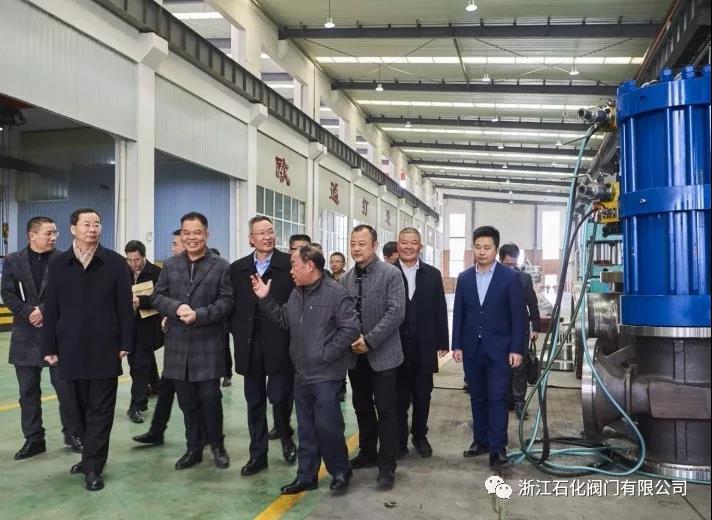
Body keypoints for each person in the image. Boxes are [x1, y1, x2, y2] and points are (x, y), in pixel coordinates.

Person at [252, 245, 360, 495]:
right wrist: (265, 299)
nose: (291, 271)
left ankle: (340, 471)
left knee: (328, 426)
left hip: (326, 374)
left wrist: (325, 354)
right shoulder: (296, 293)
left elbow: (351, 329)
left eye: (294, 265)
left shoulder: (336, 293)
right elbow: (283, 320)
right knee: (306, 429)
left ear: (310, 266)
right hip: (301, 373)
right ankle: (306, 476)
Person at [41, 208, 134, 491]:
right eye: (86, 224)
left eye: (96, 224)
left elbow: (124, 307)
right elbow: (51, 307)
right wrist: (48, 345)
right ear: (73, 229)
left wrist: (125, 343)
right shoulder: (59, 264)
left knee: (101, 411)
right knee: (76, 409)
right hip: (69, 347)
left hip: (105, 347)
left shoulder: (115, 263)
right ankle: (89, 455)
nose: (92, 229)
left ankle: (93, 467)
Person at [152, 212, 234, 471]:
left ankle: (217, 446)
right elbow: (157, 297)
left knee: (210, 398)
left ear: (206, 234)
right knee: (186, 401)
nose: (191, 238)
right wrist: (176, 308)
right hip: (177, 344)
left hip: (207, 343)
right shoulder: (171, 264)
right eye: (186, 233)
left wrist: (199, 315)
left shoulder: (221, 266)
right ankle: (193, 448)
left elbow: (227, 301)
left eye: (197, 232)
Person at [1, 217, 81, 460]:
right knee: (28, 392)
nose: (54, 237)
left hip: (57, 333)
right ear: (31, 235)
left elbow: (72, 292)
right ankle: (34, 439)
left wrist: (44, 311)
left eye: (55, 233)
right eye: (48, 233)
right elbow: (7, 292)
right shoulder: (13, 260)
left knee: (66, 388)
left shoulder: (65, 259)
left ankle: (74, 434)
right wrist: (28, 312)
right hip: (25, 334)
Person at [451, 226, 526, 468]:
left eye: (487, 247)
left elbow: (519, 317)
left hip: (500, 350)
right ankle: (480, 441)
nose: (482, 252)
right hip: (472, 348)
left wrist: (517, 348)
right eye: (477, 247)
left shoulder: (510, 278)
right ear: (472, 248)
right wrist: (457, 345)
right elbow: (459, 314)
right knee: (477, 397)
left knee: (498, 398)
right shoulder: (464, 278)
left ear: (495, 249)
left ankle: (497, 448)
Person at [230, 217, 297, 477]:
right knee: (254, 401)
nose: (267, 237)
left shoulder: (288, 265)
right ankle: (258, 455)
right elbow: (230, 304)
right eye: (260, 233)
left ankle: (286, 437)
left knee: (279, 397)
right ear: (251, 238)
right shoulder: (238, 269)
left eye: (270, 231)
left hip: (280, 343)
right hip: (249, 345)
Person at [340, 225, 405, 490]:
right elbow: (343, 315)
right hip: (356, 356)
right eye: (353, 244)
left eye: (362, 244)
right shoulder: (345, 279)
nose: (356, 248)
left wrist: (370, 340)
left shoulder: (391, 274)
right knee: (362, 406)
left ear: (375, 245)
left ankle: (387, 465)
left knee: (387, 410)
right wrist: (352, 339)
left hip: (384, 356)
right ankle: (367, 452)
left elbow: (396, 312)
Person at [393, 228, 449, 459]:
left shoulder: (432, 274)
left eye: (413, 243)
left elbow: (440, 309)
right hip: (394, 347)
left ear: (420, 247)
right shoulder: (388, 272)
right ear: (397, 245)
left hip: (424, 346)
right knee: (397, 398)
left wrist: (443, 341)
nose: (408, 247)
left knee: (422, 395)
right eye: (404, 242)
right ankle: (398, 440)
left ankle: (419, 436)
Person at [132, 229, 183, 446]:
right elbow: (161, 297)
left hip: (195, 337)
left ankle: (209, 438)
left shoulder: (213, 267)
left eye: (175, 243)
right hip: (171, 336)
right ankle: (155, 429)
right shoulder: (170, 267)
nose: (172, 248)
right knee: (165, 387)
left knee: (201, 394)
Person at [499, 243, 541, 420]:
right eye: (507, 264)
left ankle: (519, 402)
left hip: (520, 329)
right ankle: (505, 399)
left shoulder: (524, 278)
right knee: (502, 366)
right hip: (499, 330)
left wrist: (535, 327)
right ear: (500, 260)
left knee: (519, 367)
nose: (511, 268)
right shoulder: (493, 278)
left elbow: (532, 303)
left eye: (514, 264)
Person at [124, 240, 163, 424]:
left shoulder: (156, 273)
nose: (133, 264)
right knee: (140, 361)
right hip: (128, 326)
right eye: (130, 260)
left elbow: (161, 299)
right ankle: (156, 385)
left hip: (148, 326)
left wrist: (141, 301)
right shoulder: (123, 272)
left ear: (144, 256)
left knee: (139, 365)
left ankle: (137, 405)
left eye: (137, 260)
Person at [209, 248, 234, 389]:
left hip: (222, 320)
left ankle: (227, 374)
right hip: (208, 320)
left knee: (224, 348)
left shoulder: (224, 274)